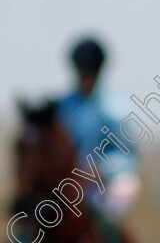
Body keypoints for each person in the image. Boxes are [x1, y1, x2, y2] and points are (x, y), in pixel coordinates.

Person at [57, 38, 140, 239]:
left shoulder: (115, 108)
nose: (85, 79)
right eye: (81, 73)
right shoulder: (64, 105)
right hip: (72, 179)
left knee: (113, 201)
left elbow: (128, 153)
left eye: (89, 74)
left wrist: (102, 170)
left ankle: (110, 235)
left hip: (106, 182)